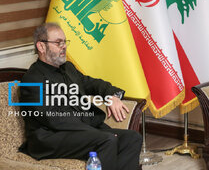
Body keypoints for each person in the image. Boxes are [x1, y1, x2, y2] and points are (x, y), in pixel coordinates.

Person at [19, 23, 142, 170]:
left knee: (132, 138)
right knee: (107, 140)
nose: (64, 46)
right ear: (41, 46)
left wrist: (112, 95)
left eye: (65, 42)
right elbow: (53, 118)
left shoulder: (68, 68)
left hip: (80, 131)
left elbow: (91, 83)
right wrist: (94, 132)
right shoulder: (32, 79)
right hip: (50, 137)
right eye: (58, 42)